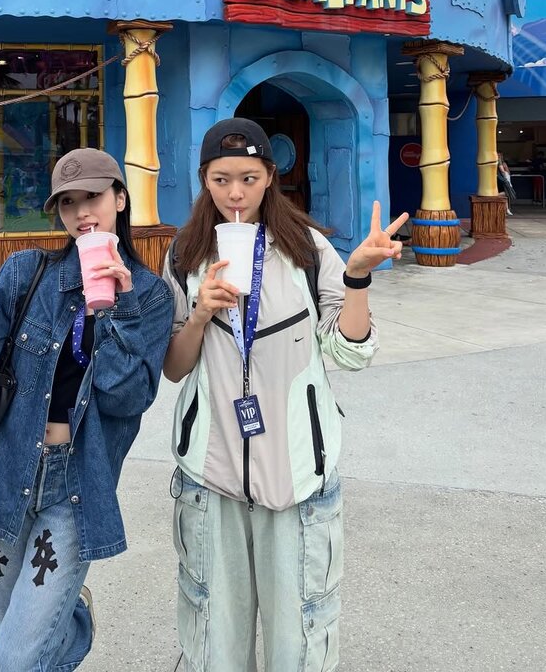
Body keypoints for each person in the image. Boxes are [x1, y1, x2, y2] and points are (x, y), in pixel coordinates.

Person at [162, 118, 408, 672]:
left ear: (270, 177)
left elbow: (350, 353)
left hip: (297, 474)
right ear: (204, 181)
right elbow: (175, 369)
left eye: (248, 178)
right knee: (214, 640)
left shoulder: (308, 249)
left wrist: (357, 279)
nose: (235, 193)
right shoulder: (185, 254)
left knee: (299, 640)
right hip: (211, 475)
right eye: (221, 180)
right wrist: (200, 313)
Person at [0, 148, 174, 671]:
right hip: (3, 475)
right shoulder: (26, 275)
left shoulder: (151, 297)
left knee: (14, 660)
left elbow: (127, 399)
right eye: (68, 203)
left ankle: (68, 621)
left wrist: (119, 309)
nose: (82, 213)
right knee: (16, 639)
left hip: (75, 485)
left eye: (93, 198)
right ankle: (68, 619)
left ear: (120, 199)